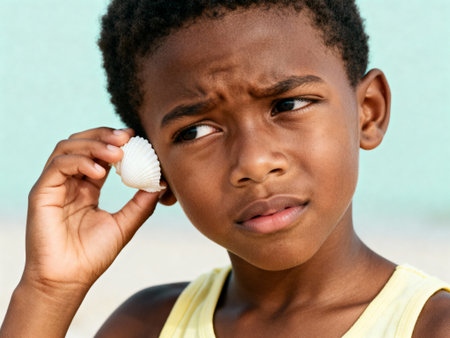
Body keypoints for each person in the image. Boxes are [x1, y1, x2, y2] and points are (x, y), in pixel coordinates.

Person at [1, 1, 449, 337]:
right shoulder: (145, 327)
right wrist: (48, 290)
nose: (254, 162)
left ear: (367, 112)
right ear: (157, 168)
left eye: (287, 105)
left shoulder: (431, 327)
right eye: (195, 131)